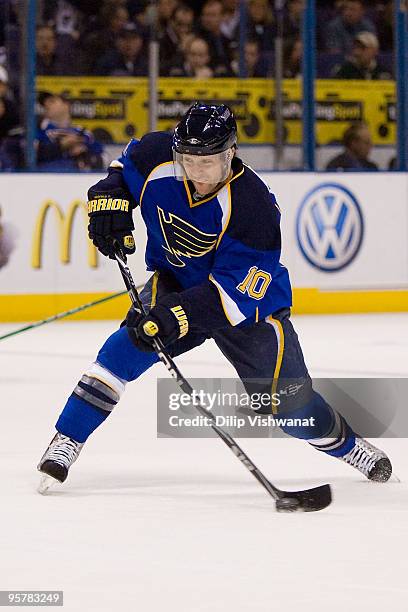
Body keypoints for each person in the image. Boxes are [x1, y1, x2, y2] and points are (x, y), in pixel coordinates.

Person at [37, 103, 392, 493]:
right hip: (176, 282)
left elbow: (232, 296)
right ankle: (67, 438)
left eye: (207, 161)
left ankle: (350, 446)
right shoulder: (156, 154)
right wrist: (110, 204)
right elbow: (121, 175)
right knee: (124, 349)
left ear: (231, 153)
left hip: (248, 310)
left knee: (291, 407)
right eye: (187, 159)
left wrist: (178, 315)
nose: (196, 171)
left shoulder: (254, 208)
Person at [36, 92, 104, 171]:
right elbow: (32, 156)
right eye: (44, 104)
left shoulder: (84, 133)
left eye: (52, 101)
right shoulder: (39, 131)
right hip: (46, 178)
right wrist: (60, 146)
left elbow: (103, 160)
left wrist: (84, 154)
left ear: (66, 105)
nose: (46, 105)